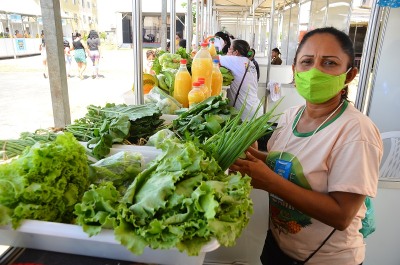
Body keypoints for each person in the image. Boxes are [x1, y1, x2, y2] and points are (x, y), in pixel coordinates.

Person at [230, 27, 383, 265]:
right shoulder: (291, 115)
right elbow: (283, 161)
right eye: (307, 61)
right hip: (277, 247)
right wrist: (251, 156)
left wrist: (270, 182)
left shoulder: (356, 131)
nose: (315, 71)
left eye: (330, 63)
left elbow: (342, 215)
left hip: (326, 259)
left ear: (349, 75)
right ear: (294, 70)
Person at [218, 39, 262, 120]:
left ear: (236, 52)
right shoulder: (250, 63)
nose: (228, 50)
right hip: (256, 108)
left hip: (245, 111)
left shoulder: (235, 60)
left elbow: (210, 58)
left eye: (230, 49)